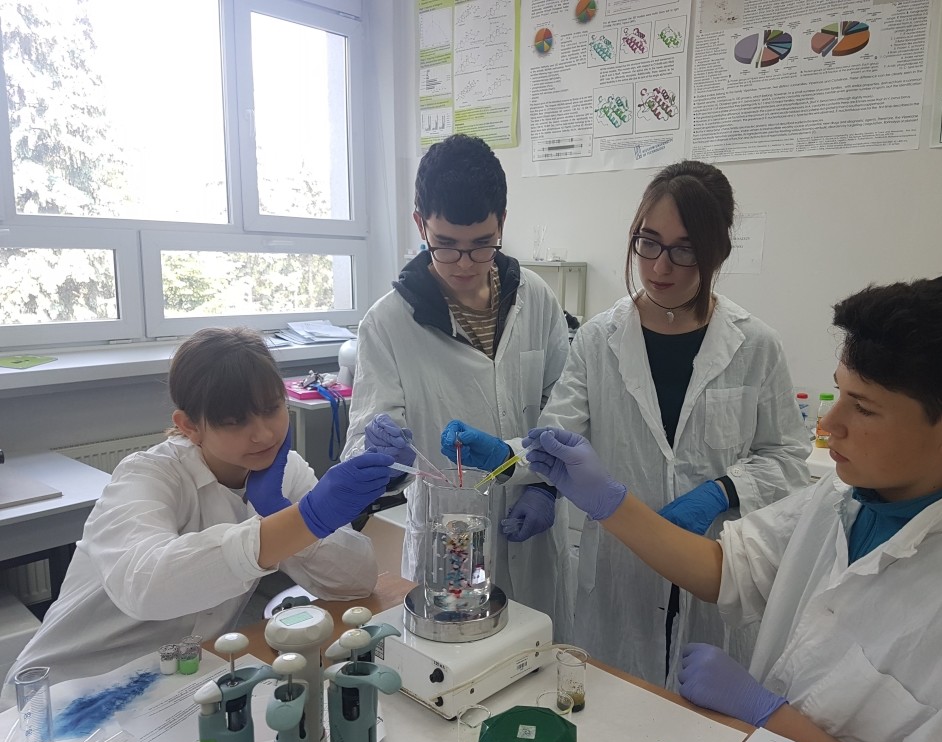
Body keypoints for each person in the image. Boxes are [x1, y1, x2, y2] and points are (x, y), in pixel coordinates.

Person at [522, 272, 942, 742]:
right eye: (839, 393)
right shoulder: (843, 497)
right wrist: (610, 502)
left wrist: (768, 715)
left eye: (864, 408)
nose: (829, 424)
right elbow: (729, 569)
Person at [442, 161, 810, 686]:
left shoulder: (755, 345)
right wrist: (504, 455)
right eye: (648, 242)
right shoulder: (599, 339)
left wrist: (722, 491)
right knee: (618, 710)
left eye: (685, 250)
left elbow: (787, 458)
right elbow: (560, 436)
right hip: (623, 574)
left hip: (714, 569)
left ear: (718, 252)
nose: (660, 266)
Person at [4, 327, 396, 690]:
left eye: (271, 409)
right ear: (189, 426)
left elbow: (355, 582)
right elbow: (147, 586)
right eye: (234, 421)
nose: (263, 434)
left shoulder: (285, 470)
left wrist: (285, 515)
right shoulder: (148, 474)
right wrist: (299, 522)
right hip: (67, 688)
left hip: (179, 680)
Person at [340, 134, 572, 637]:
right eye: (445, 245)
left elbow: (566, 408)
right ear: (420, 224)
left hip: (532, 532)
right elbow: (362, 439)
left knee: (537, 653)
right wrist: (380, 455)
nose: (464, 264)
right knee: (453, 661)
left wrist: (546, 487)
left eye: (481, 245)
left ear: (502, 223)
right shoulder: (387, 324)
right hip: (447, 544)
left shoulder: (536, 298)